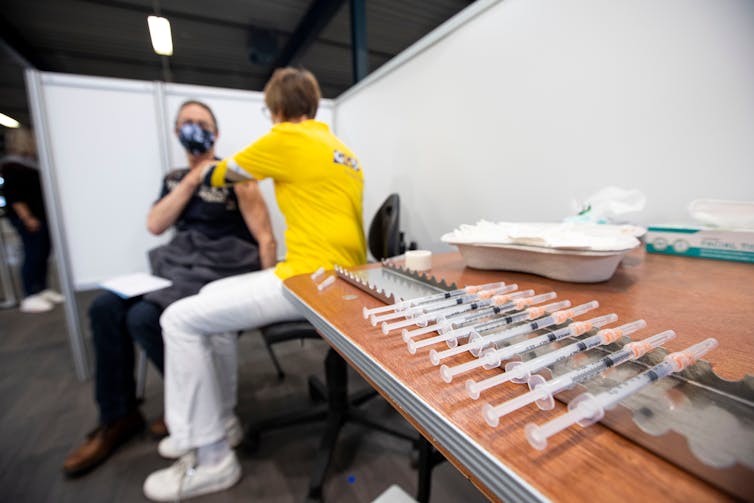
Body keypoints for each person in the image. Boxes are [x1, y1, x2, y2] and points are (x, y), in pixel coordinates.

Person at [142, 68, 366, 501]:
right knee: (210, 302)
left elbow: (220, 174)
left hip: (311, 280)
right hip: (341, 277)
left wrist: (201, 169)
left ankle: (211, 459)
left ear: (277, 109)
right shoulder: (343, 150)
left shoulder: (286, 138)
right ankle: (221, 421)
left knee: (178, 319)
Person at [62, 100, 277, 478]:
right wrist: (192, 179)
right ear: (177, 131)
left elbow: (264, 237)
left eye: (202, 122)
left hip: (219, 268)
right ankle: (118, 416)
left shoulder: (236, 175)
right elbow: (156, 224)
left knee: (144, 318)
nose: (195, 129)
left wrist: (265, 299)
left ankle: (195, 406)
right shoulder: (175, 178)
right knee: (104, 308)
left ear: (216, 132)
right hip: (176, 266)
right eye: (187, 123)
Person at [1, 127, 64, 313]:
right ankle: (29, 294)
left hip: (41, 216)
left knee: (42, 253)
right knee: (32, 254)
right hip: (30, 218)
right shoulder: (13, 167)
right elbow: (15, 196)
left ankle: (41, 288)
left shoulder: (30, 164)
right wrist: (27, 217)